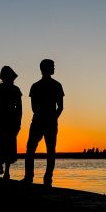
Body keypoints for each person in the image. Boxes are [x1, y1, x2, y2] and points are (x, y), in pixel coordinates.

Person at [21, 59, 64, 187]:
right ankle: (33, 177)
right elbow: (59, 107)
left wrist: (53, 118)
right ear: (45, 68)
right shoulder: (38, 86)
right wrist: (52, 117)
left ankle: (44, 177)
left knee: (43, 150)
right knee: (35, 149)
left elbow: (60, 107)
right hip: (40, 121)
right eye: (52, 66)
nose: (54, 68)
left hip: (44, 121)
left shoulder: (54, 85)